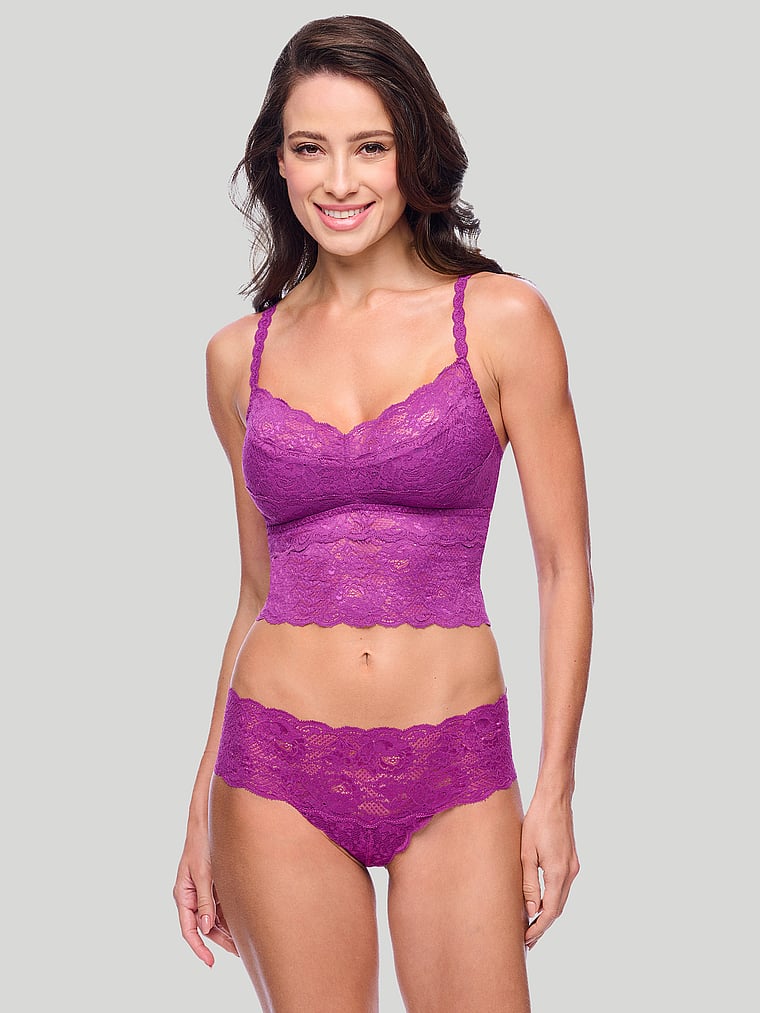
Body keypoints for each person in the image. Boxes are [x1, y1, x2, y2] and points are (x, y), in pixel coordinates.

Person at [173, 14, 593, 1012]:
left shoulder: (503, 320)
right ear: (277, 162)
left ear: (414, 151)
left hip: (455, 761)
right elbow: (256, 590)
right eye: (309, 147)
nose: (339, 180)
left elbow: (562, 566)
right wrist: (198, 813)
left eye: (370, 146)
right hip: (271, 768)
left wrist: (556, 787)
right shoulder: (236, 358)